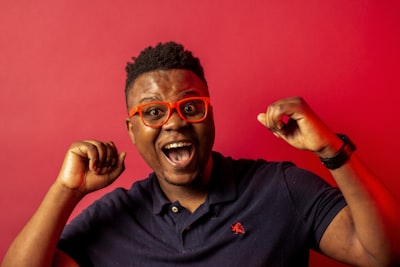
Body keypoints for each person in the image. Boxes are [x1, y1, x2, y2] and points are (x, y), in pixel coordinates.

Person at [2, 42, 400, 267]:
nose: (174, 123)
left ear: (210, 115)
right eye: (153, 113)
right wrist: (65, 190)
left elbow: (384, 253)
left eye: (190, 106)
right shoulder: (115, 216)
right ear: (131, 130)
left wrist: (331, 148)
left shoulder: (280, 188)